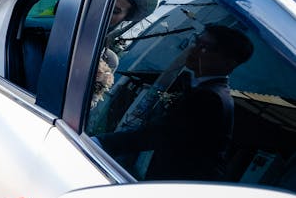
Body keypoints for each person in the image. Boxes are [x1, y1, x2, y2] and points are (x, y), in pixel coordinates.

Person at [96, 24, 254, 181]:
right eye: (196, 41)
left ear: (228, 62)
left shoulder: (211, 97)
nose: (193, 49)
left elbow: (159, 134)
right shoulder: (205, 89)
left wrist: (101, 142)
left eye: (204, 47)